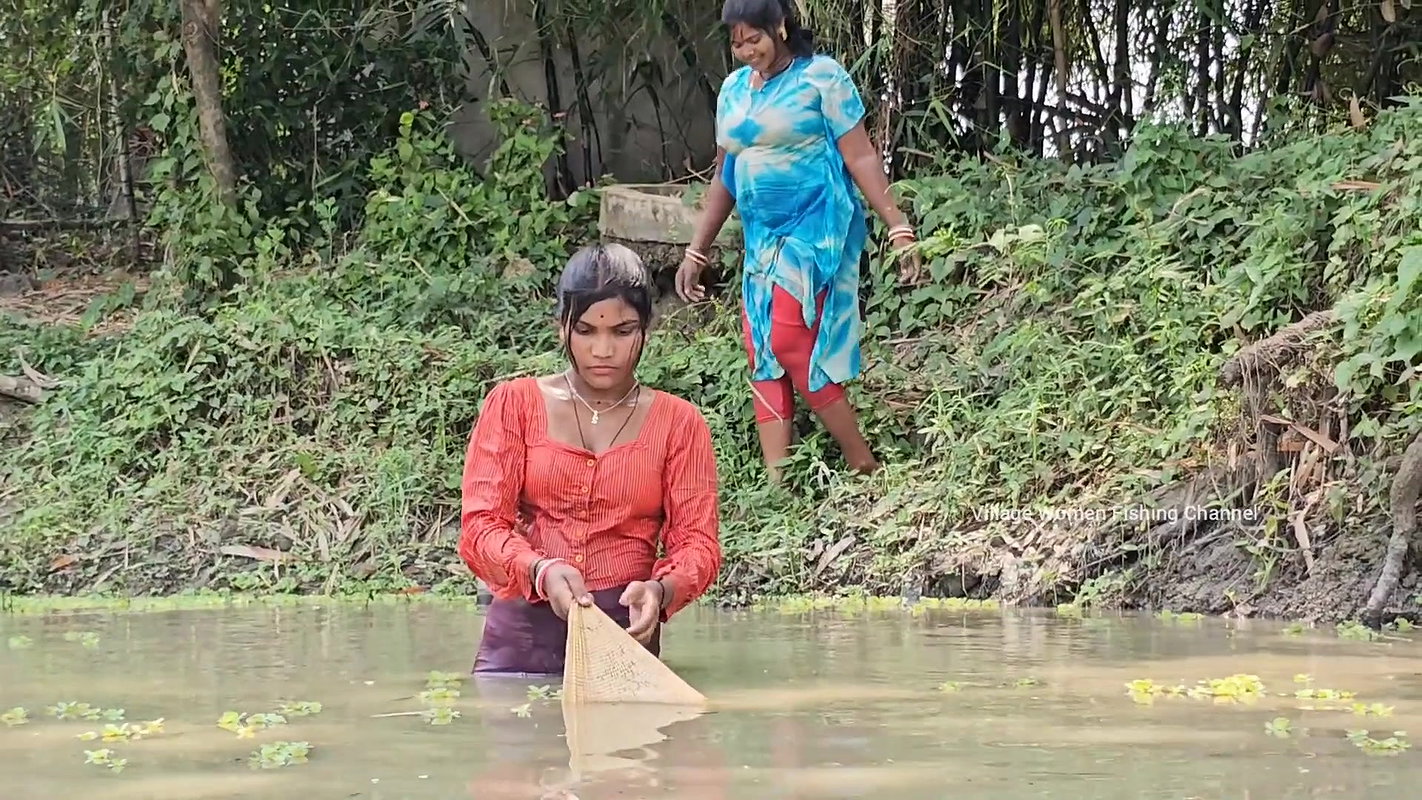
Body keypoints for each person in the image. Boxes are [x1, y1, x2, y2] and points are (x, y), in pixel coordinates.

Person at [674, 0, 923, 485]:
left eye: (755, 39)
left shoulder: (821, 78)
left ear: (781, 26)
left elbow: (862, 157)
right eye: (737, 43)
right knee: (762, 348)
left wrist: (898, 226)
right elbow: (726, 173)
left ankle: (862, 461)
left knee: (788, 339)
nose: (747, 51)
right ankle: (776, 484)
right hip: (762, 238)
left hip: (816, 228)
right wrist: (695, 250)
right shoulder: (733, 91)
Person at [458, 242, 722, 677]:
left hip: (626, 639)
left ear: (646, 330)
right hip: (519, 644)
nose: (603, 350)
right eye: (586, 330)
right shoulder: (513, 405)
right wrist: (540, 570)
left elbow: (698, 544)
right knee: (514, 739)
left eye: (622, 331)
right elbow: (481, 528)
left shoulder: (680, 423)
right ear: (562, 328)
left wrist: (661, 590)